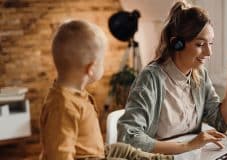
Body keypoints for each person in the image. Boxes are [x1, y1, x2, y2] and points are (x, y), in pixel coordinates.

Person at [117, 1, 227, 155]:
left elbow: (222, 123)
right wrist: (187, 146)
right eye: (200, 44)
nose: (209, 53)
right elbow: (128, 137)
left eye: (211, 43)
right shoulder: (151, 79)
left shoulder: (199, 75)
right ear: (177, 44)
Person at [39, 20, 173, 160]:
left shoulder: (76, 94)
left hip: (97, 153)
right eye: (102, 61)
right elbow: (59, 155)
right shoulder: (62, 106)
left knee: (124, 149)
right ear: (90, 69)